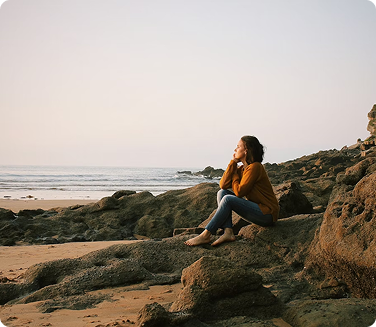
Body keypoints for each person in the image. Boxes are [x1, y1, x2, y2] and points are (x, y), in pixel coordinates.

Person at [185, 135, 279, 246]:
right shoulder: (241, 169)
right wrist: (233, 163)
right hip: (257, 210)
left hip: (267, 214)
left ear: (246, 151)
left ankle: (206, 234)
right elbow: (223, 185)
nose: (235, 150)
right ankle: (228, 231)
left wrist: (234, 175)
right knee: (222, 193)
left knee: (228, 199)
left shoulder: (255, 167)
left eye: (238, 147)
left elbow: (239, 192)